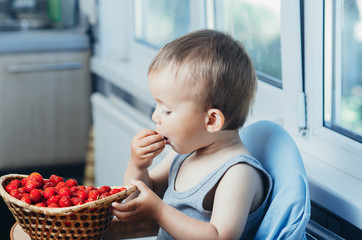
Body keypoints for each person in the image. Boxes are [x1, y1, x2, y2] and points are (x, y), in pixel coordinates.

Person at [111, 29, 272, 240]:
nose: (156, 116)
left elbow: (219, 237)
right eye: (156, 105)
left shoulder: (238, 174)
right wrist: (138, 165)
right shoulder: (184, 154)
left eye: (167, 110)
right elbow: (138, 196)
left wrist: (159, 212)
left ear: (211, 120)